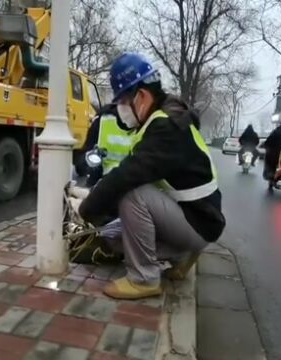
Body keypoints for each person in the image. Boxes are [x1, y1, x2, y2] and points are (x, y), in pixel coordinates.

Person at [76, 53, 226, 300]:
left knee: (133, 193)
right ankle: (182, 254)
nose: (120, 109)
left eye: (123, 101)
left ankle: (144, 279)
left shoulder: (165, 127)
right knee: (112, 239)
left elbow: (128, 175)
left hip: (198, 222)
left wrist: (88, 208)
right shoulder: (166, 116)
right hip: (194, 216)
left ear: (142, 96)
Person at [74, 104, 133, 186]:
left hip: (132, 187)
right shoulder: (103, 119)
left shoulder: (149, 125)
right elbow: (81, 164)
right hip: (101, 184)